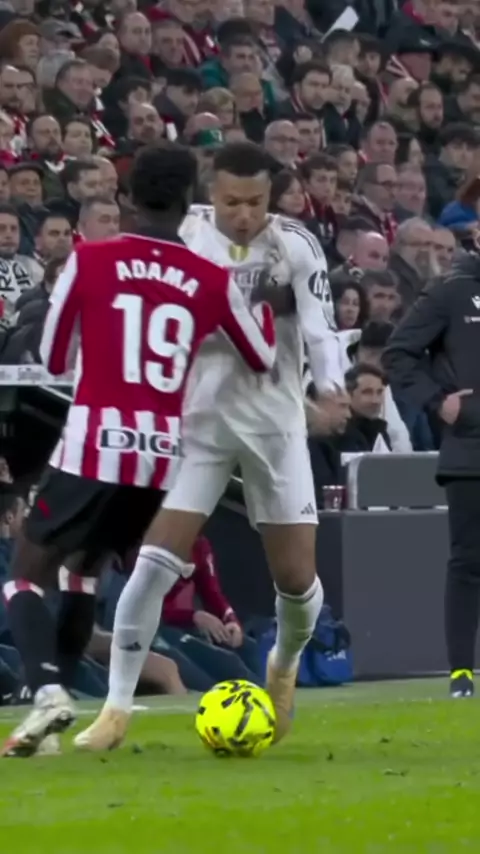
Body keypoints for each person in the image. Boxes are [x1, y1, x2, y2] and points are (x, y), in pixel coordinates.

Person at [1, 141, 277, 758]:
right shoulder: (210, 278)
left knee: (25, 575)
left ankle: (44, 689)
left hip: (94, 443)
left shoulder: (91, 259)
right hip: (158, 460)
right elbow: (260, 355)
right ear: (190, 201)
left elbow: (50, 358)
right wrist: (261, 303)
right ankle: (54, 716)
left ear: (126, 198)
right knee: (81, 572)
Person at [75, 141, 343, 752]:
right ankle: (116, 708)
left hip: (274, 425)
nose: (243, 215)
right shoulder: (186, 235)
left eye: (255, 202)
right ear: (210, 195)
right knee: (153, 561)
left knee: (296, 580)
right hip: (198, 424)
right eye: (231, 202)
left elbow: (321, 328)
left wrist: (332, 385)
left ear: (270, 197)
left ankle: (282, 665)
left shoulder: (296, 245)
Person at [382, 251, 480, 698]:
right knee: (469, 563)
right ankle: (461, 672)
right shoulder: (451, 291)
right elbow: (398, 353)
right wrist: (438, 401)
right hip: (472, 449)